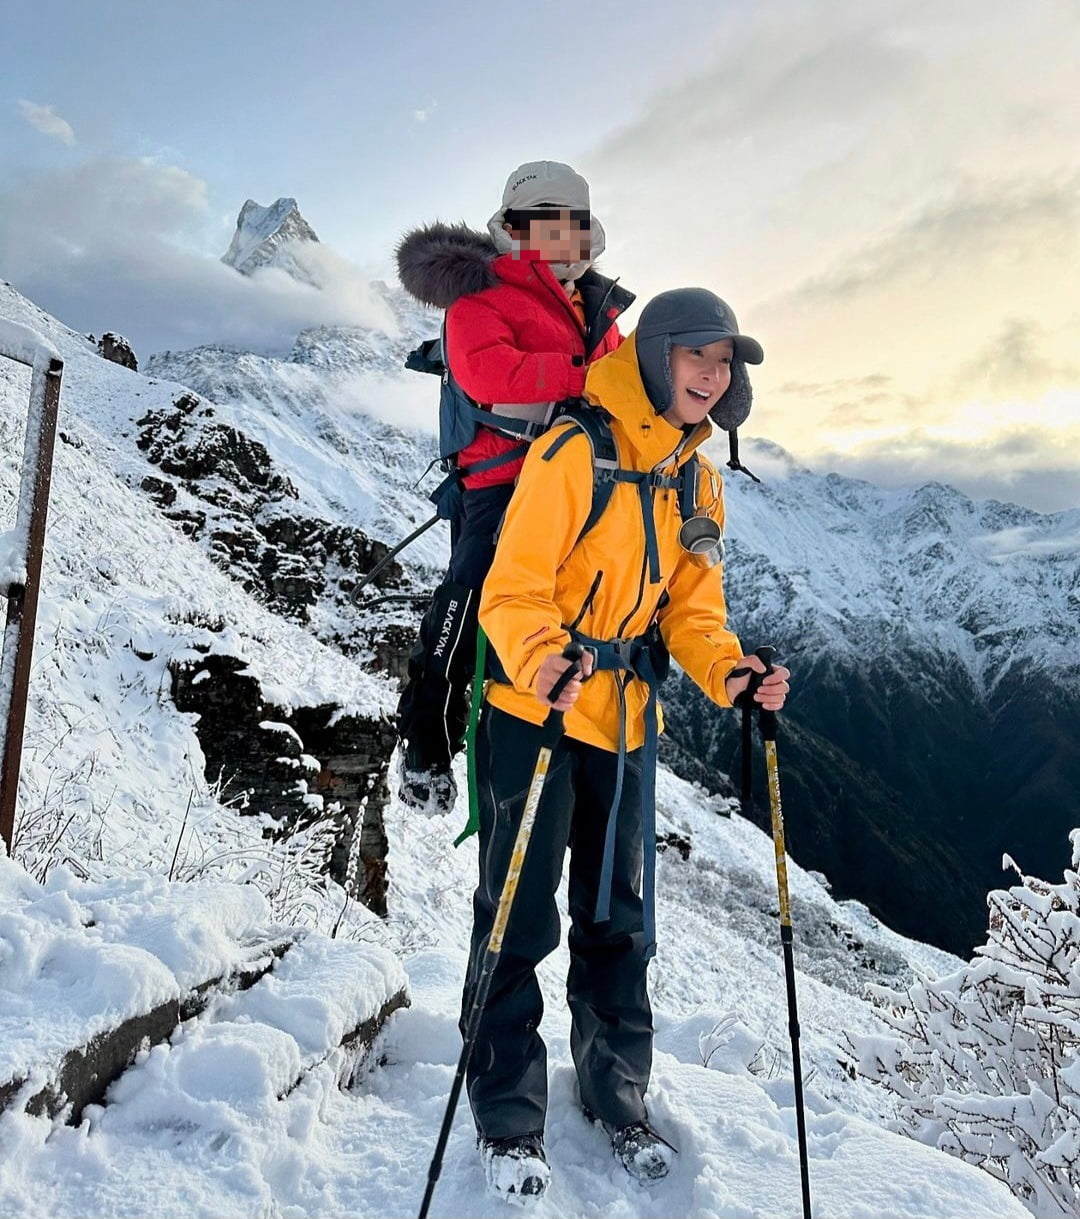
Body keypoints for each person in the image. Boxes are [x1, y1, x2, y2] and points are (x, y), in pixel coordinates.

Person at [463, 287, 791, 1202]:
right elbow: (511, 588)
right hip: (535, 710)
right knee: (518, 916)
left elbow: (693, 606)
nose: (713, 375)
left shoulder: (697, 476)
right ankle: (507, 1110)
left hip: (627, 718)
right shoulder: (576, 448)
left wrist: (730, 673)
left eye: (725, 364)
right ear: (654, 357)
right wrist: (540, 662)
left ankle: (618, 1091)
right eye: (698, 356)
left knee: (619, 921)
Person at [393, 161, 634, 813]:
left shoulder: (595, 305)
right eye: (545, 223)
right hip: (501, 479)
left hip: (583, 483)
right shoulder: (479, 296)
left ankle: (539, 735)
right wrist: (586, 375)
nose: (561, 237)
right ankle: (426, 737)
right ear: (514, 229)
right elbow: (489, 371)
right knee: (472, 594)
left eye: (572, 225)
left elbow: (630, 382)